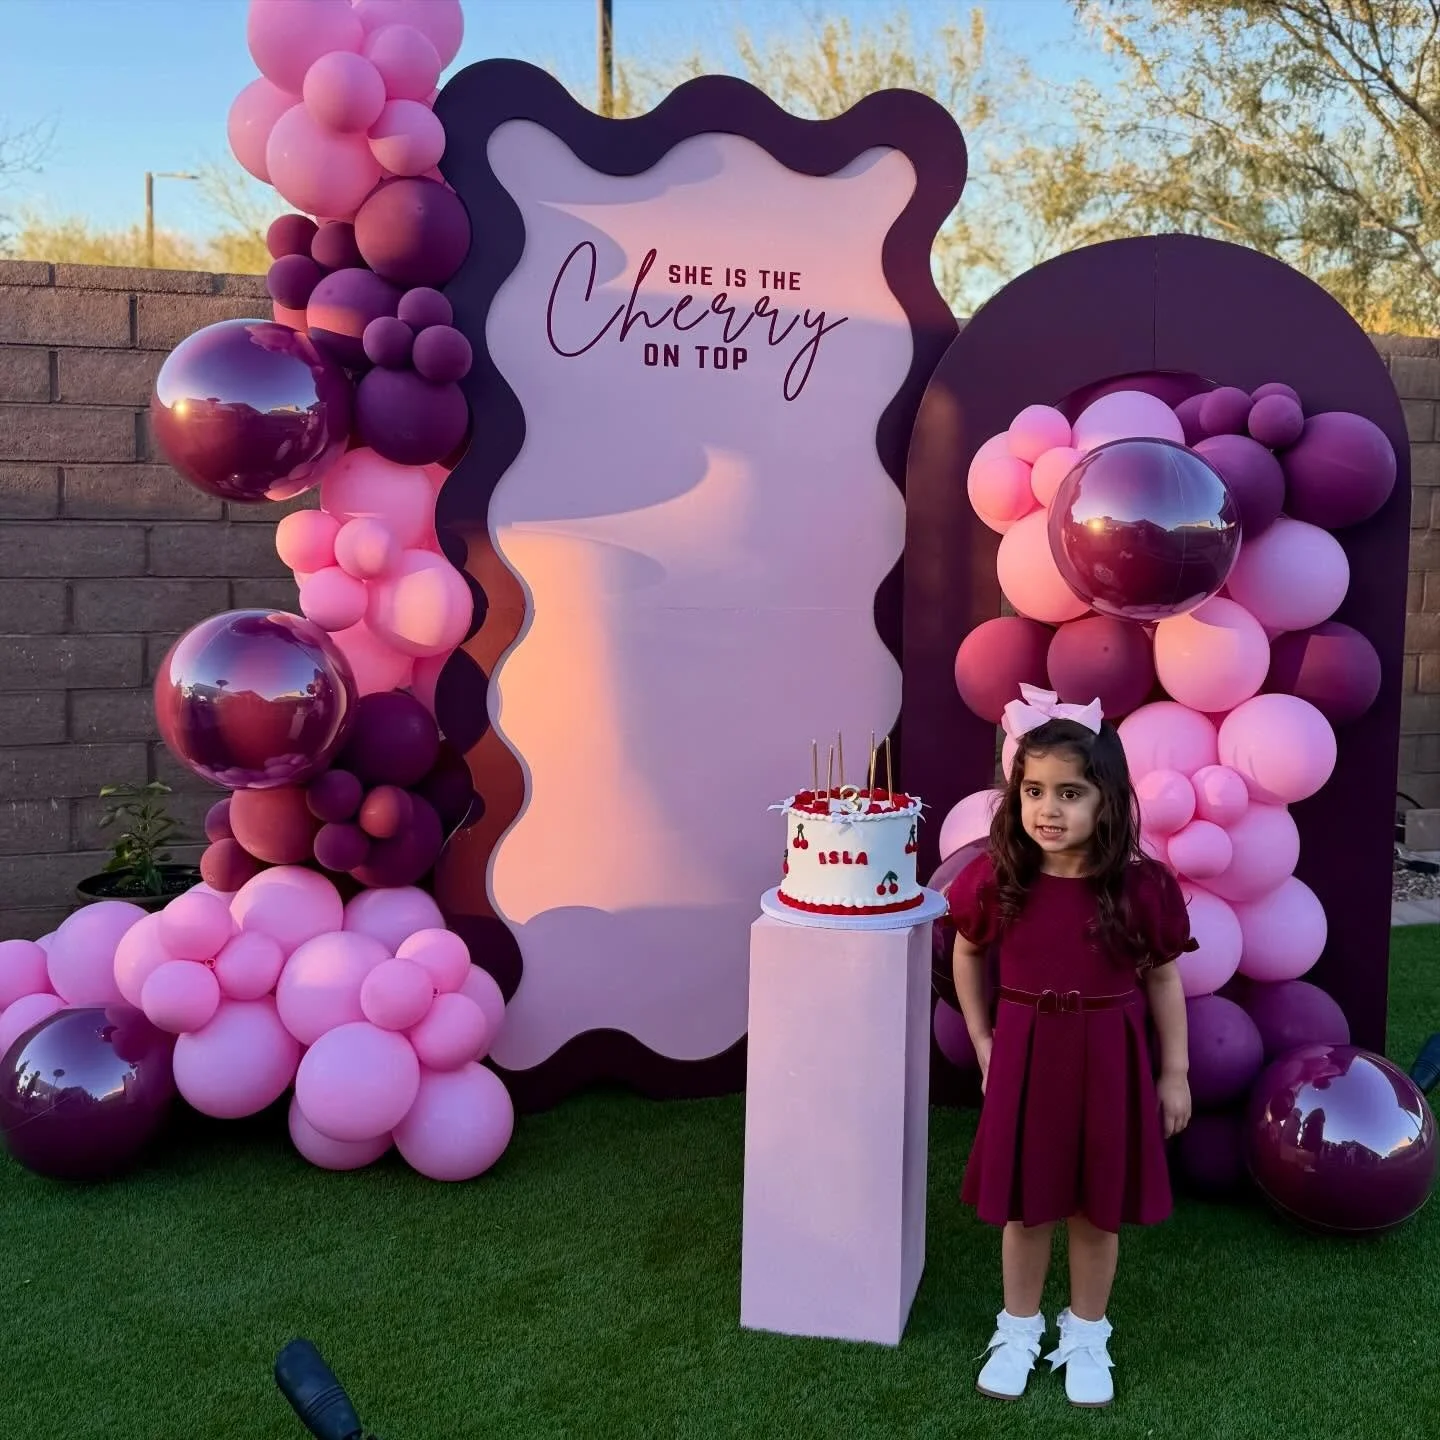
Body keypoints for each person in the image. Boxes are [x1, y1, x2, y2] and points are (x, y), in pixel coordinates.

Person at [948, 684, 1194, 1409]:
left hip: (1110, 1064)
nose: (1047, 810)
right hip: (1026, 1061)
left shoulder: (1140, 887)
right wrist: (984, 1039)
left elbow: (1166, 976)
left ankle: (1087, 1330)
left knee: (1094, 1211)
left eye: (1070, 792)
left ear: (1108, 800)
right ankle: (1017, 1328)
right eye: (1032, 791)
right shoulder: (1000, 879)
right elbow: (965, 954)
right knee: (1027, 1210)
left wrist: (1174, 1070)